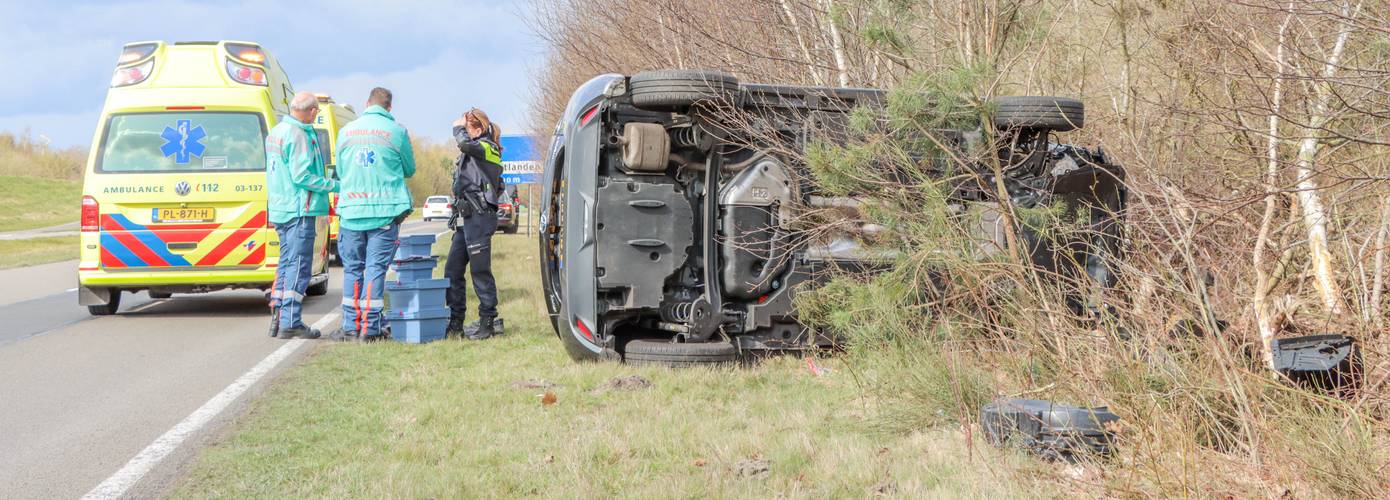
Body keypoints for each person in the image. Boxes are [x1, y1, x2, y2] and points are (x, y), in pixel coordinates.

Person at [332, 87, 416, 341]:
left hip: (351, 212)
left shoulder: (346, 131)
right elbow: (409, 170)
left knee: (352, 269)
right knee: (375, 270)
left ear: (366, 103)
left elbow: (341, 169)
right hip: (384, 213)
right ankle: (370, 328)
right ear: (389, 108)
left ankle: (350, 325)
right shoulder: (397, 132)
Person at [266, 91, 338, 340]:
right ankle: (291, 321)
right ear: (312, 111)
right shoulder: (299, 135)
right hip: (300, 209)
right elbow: (302, 177)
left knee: (286, 264)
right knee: (299, 266)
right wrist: (335, 186)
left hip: (281, 208)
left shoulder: (278, 131)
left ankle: (280, 316)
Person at [445, 108, 505, 339]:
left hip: (479, 218)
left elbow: (465, 144)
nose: (463, 133)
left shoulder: (487, 147)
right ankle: (456, 322)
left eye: (467, 128)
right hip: (465, 218)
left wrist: (457, 128)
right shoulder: (471, 153)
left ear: (478, 129)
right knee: (452, 270)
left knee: (480, 271)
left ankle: (487, 321)